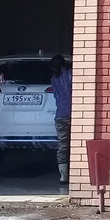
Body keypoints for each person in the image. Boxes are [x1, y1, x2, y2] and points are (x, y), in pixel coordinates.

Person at [50, 54, 72, 184]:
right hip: (72, 114)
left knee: (62, 145)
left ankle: (63, 176)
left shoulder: (54, 79)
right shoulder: (70, 74)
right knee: (75, 144)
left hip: (60, 116)